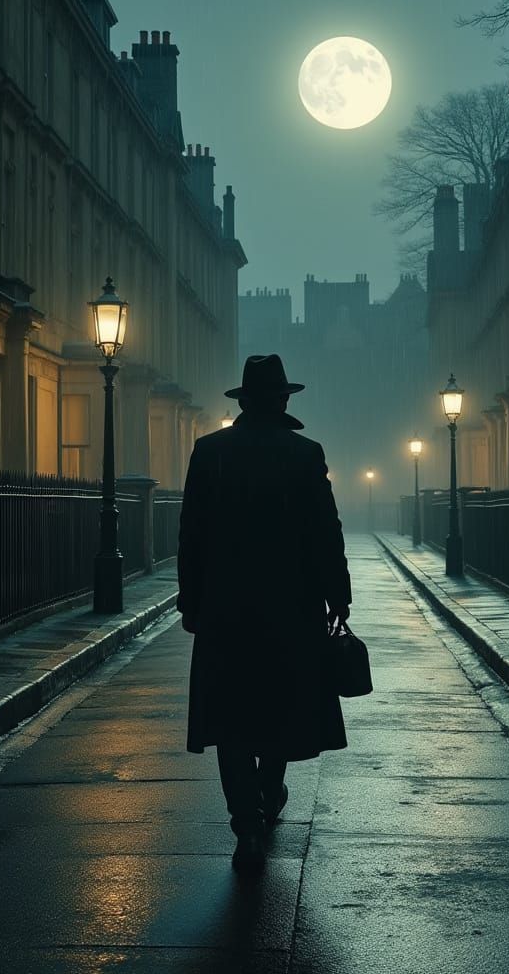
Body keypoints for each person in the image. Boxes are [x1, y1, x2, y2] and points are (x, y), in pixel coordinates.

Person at [177, 354, 352, 873]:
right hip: (289, 608)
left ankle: (246, 824)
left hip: (225, 608)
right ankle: (269, 791)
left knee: (230, 716)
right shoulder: (304, 454)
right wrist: (336, 594)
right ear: (283, 401)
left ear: (242, 402)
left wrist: (191, 600)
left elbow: (191, 535)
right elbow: (326, 531)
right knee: (280, 707)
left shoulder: (209, 454)